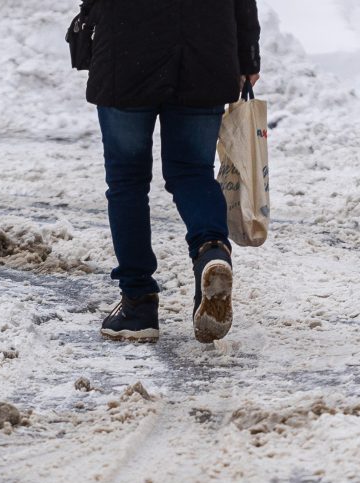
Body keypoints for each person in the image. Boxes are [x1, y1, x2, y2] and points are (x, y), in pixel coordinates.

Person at [83, 0, 262, 343]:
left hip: (127, 51)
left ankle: (138, 305)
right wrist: (248, 55)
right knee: (192, 170)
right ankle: (211, 251)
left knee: (127, 181)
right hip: (205, 52)